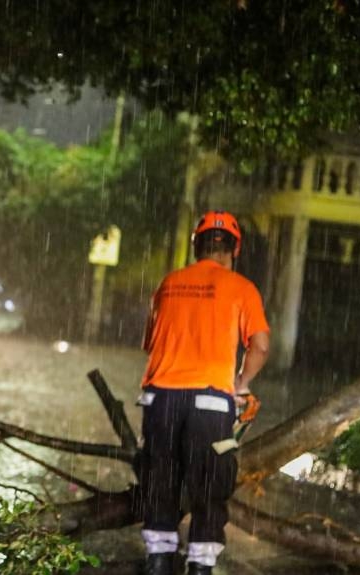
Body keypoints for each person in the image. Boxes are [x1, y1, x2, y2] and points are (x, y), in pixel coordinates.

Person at [138, 210, 271, 575]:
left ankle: (160, 556)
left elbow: (149, 343)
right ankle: (200, 562)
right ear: (234, 249)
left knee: (159, 476)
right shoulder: (242, 288)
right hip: (212, 401)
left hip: (161, 397)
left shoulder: (169, 282)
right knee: (211, 478)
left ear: (196, 245)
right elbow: (259, 346)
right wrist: (240, 385)